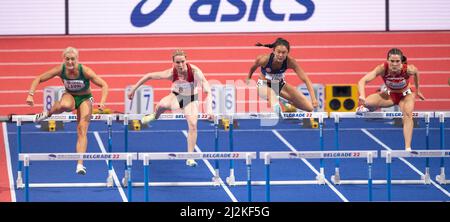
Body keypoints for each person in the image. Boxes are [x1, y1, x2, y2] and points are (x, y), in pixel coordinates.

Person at [26, 47, 109, 175]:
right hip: (69, 95)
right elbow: (39, 78)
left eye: (73, 59)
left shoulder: (85, 71)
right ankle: (47, 113)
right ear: (64, 59)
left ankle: (80, 165)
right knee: (64, 105)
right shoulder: (61, 69)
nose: (70, 62)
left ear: (77, 59)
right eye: (67, 59)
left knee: (82, 129)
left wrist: (102, 103)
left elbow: (104, 85)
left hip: (85, 99)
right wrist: (31, 94)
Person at [127, 49, 213, 167]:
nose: (180, 65)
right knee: (161, 106)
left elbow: (207, 89)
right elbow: (149, 76)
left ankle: (190, 158)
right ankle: (154, 116)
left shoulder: (195, 71)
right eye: (177, 62)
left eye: (182, 61)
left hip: (190, 98)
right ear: (173, 62)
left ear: (186, 60)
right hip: (175, 95)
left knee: (193, 124)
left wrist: (210, 109)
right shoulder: (171, 73)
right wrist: (134, 89)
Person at [357, 48, 425, 152]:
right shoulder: (382, 69)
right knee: (367, 102)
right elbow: (362, 80)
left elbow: (416, 73)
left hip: (405, 96)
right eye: (392, 61)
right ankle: (368, 108)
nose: (394, 64)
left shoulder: (408, 69)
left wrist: (418, 90)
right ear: (387, 61)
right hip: (390, 95)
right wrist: (362, 95)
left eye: (397, 61)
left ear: (401, 61)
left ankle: (407, 147)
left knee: (407, 115)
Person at [246, 37, 318, 115]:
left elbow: (306, 80)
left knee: (309, 108)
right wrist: (248, 78)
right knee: (271, 93)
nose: (281, 55)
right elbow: (253, 68)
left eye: (283, 52)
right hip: (263, 84)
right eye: (278, 52)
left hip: (279, 84)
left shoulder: (290, 62)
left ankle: (285, 101)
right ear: (273, 51)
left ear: (287, 52)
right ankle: (278, 105)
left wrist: (313, 98)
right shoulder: (263, 59)